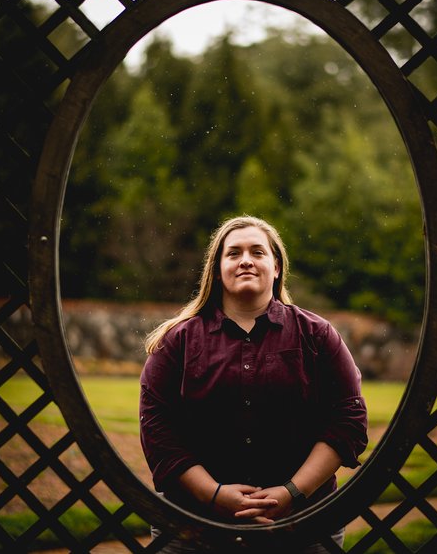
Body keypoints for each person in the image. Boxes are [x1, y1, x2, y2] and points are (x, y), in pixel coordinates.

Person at [140, 216, 368, 552]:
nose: (246, 259)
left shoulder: (317, 335)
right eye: (233, 253)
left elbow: (348, 422)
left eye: (257, 252)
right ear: (217, 270)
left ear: (275, 268)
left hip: (302, 526)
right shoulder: (178, 342)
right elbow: (158, 431)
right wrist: (214, 495)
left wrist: (290, 493)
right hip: (192, 527)